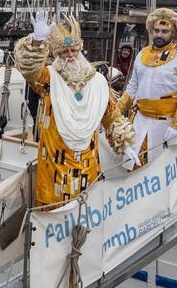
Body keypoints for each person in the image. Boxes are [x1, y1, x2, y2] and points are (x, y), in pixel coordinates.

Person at [13, 11, 137, 207]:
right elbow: (30, 71)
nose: (70, 56)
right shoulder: (49, 78)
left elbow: (110, 114)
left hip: (87, 161)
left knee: (85, 205)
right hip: (54, 159)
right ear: (57, 54)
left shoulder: (97, 82)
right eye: (64, 52)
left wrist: (125, 144)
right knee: (52, 210)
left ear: (80, 50)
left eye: (73, 51)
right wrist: (37, 43)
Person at [119, 8, 177, 165]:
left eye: (164, 31)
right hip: (140, 120)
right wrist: (114, 113)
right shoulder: (142, 54)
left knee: (164, 170)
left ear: (173, 33)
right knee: (134, 165)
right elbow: (132, 88)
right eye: (156, 30)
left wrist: (176, 126)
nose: (159, 34)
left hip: (167, 123)